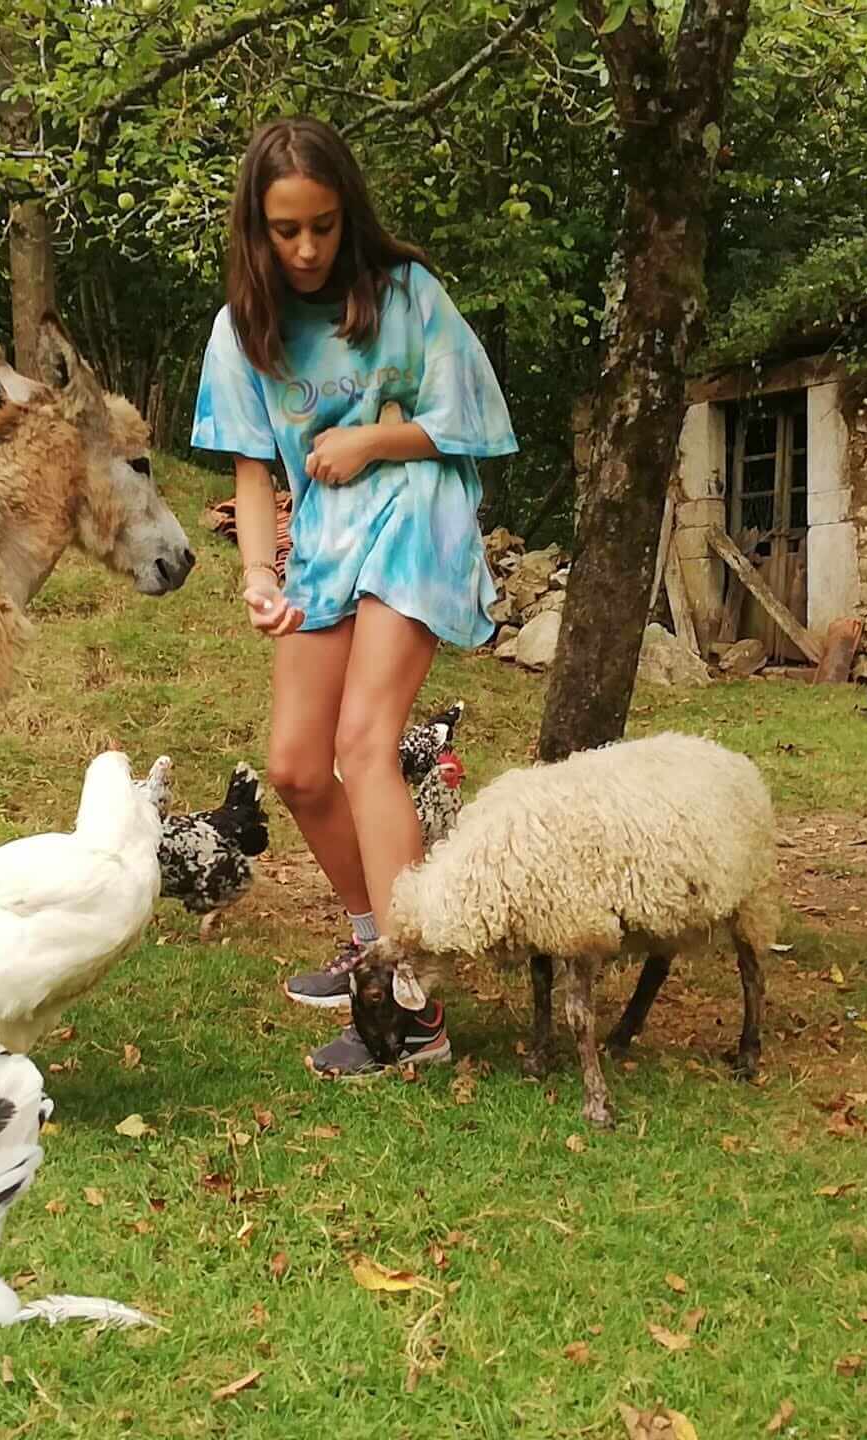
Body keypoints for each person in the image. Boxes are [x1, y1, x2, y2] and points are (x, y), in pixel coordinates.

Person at [190, 116, 517, 1078]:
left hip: (416, 513)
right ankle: (376, 938)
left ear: (348, 217)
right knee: (295, 767)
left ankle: (410, 1007)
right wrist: (257, 574)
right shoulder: (241, 330)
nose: (305, 249)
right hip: (323, 545)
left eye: (323, 227)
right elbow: (257, 473)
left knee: (366, 745)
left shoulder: (405, 294)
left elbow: (475, 421)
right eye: (285, 229)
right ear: (254, 226)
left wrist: (374, 440)